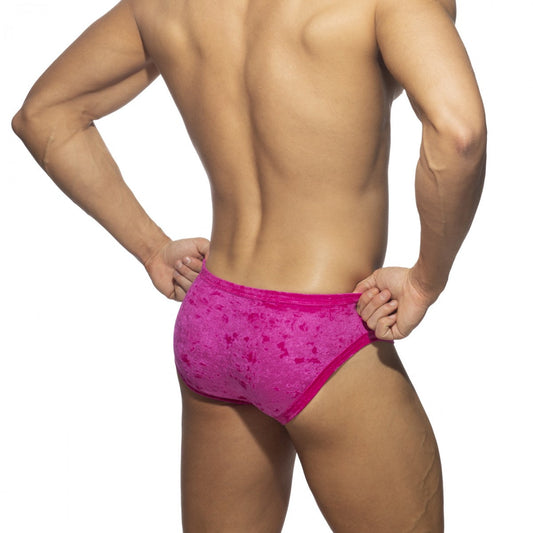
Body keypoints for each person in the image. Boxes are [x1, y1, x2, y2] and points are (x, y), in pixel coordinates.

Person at [11, 0, 486, 530]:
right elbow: (458, 134)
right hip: (326, 331)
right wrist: (424, 282)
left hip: (212, 321)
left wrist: (150, 248)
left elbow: (43, 114)